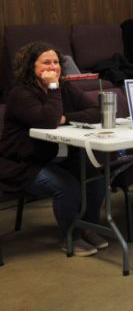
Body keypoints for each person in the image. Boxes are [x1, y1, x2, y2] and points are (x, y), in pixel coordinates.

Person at [0, 42, 107, 256]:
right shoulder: (21, 94)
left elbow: (97, 111)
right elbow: (48, 120)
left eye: (56, 62)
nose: (53, 67)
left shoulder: (65, 87)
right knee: (66, 187)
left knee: (96, 178)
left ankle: (86, 227)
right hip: (22, 162)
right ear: (31, 66)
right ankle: (71, 237)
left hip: (56, 156)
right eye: (46, 62)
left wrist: (66, 117)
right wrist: (53, 88)